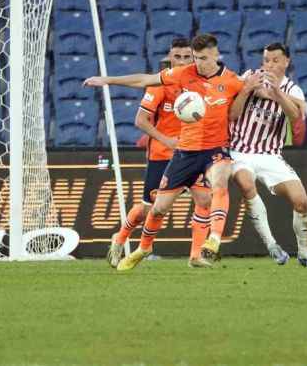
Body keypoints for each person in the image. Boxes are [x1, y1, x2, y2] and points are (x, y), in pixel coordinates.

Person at [85, 34, 263, 270]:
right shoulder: (180, 75)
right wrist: (107, 80)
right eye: (196, 58)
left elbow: (234, 114)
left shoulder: (232, 81)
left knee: (214, 189)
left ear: (216, 55)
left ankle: (211, 242)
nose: (198, 63)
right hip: (181, 152)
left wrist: (251, 88)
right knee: (156, 208)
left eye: (202, 58)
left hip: (214, 148)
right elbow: (144, 81)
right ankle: (141, 246)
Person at [106, 38, 214, 268]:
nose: (182, 61)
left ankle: (196, 256)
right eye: (178, 56)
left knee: (205, 199)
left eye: (187, 57)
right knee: (149, 209)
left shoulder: (201, 83)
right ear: (169, 57)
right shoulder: (160, 84)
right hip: (163, 154)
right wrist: (167, 140)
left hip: (194, 153)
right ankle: (120, 238)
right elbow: (140, 120)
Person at [229, 42, 307, 268]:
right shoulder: (250, 77)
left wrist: (276, 94)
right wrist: (247, 90)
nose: (269, 65)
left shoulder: (292, 89)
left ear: (286, 62)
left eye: (275, 60)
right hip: (240, 150)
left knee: (301, 202)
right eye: (266, 60)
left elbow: (293, 116)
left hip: (271, 155)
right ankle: (272, 245)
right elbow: (233, 113)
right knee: (245, 182)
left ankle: (304, 254)